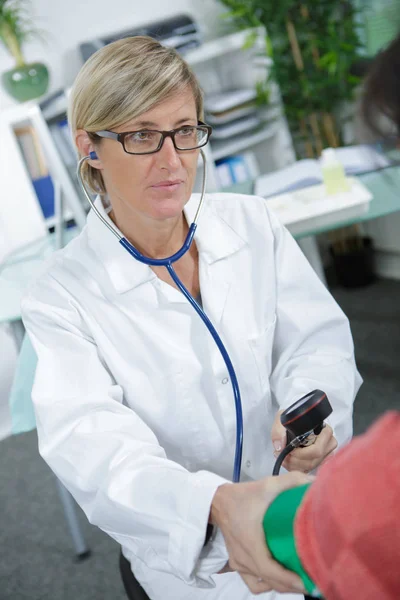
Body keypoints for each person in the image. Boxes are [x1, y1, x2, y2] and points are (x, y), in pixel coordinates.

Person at [21, 36, 361, 600]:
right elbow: (97, 453)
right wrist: (215, 503)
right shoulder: (61, 296)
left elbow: (317, 343)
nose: (172, 159)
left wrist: (310, 418)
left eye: (184, 130)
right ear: (90, 147)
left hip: (303, 513)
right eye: (140, 136)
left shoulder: (252, 224)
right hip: (194, 571)